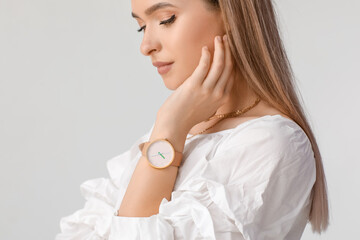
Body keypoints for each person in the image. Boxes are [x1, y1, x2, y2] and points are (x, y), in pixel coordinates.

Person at [55, 0, 329, 239]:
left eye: (165, 19)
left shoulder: (274, 144)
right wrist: (169, 129)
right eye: (141, 26)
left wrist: (168, 126)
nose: (146, 45)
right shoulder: (175, 131)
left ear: (230, 14)